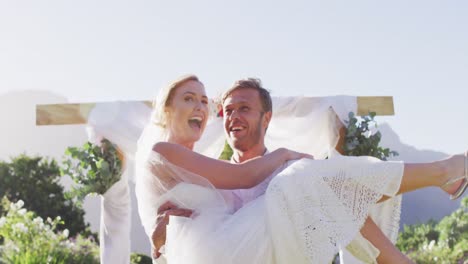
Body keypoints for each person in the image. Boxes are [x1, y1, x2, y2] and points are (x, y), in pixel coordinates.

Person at [135, 75, 467, 263]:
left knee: (313, 185)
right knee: (305, 180)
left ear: (267, 119)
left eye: (204, 102)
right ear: (165, 109)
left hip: (282, 254)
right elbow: (243, 178)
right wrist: (285, 154)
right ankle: (442, 172)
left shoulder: (204, 173)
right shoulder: (184, 160)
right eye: (228, 110)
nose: (231, 116)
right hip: (228, 256)